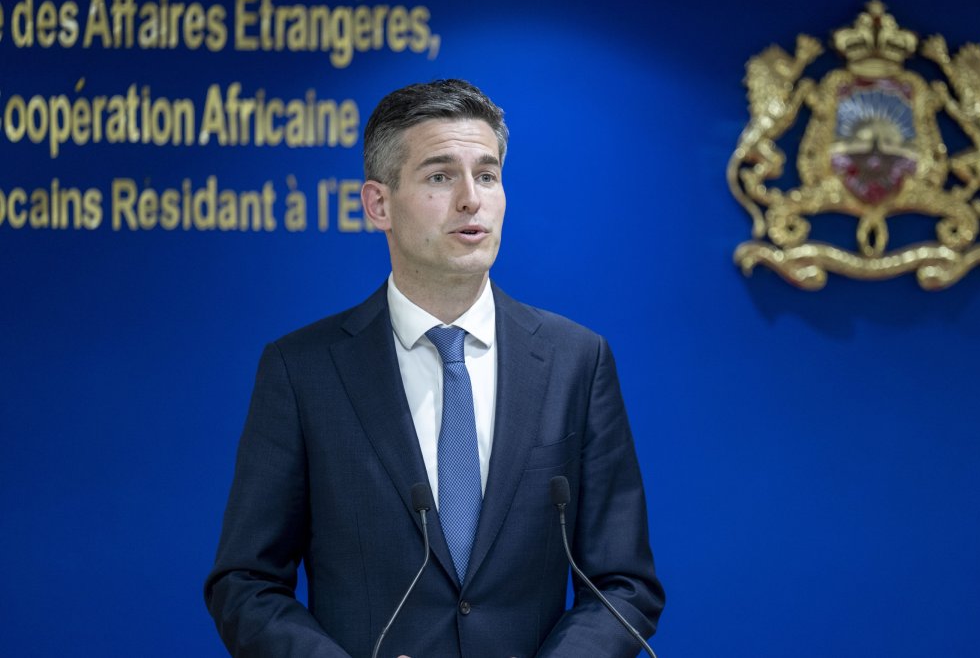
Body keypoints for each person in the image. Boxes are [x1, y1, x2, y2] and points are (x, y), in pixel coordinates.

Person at [204, 79, 665, 658]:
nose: (471, 199)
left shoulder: (576, 359)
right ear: (379, 204)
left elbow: (623, 581)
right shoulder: (303, 371)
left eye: (488, 175)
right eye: (440, 176)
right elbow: (246, 582)